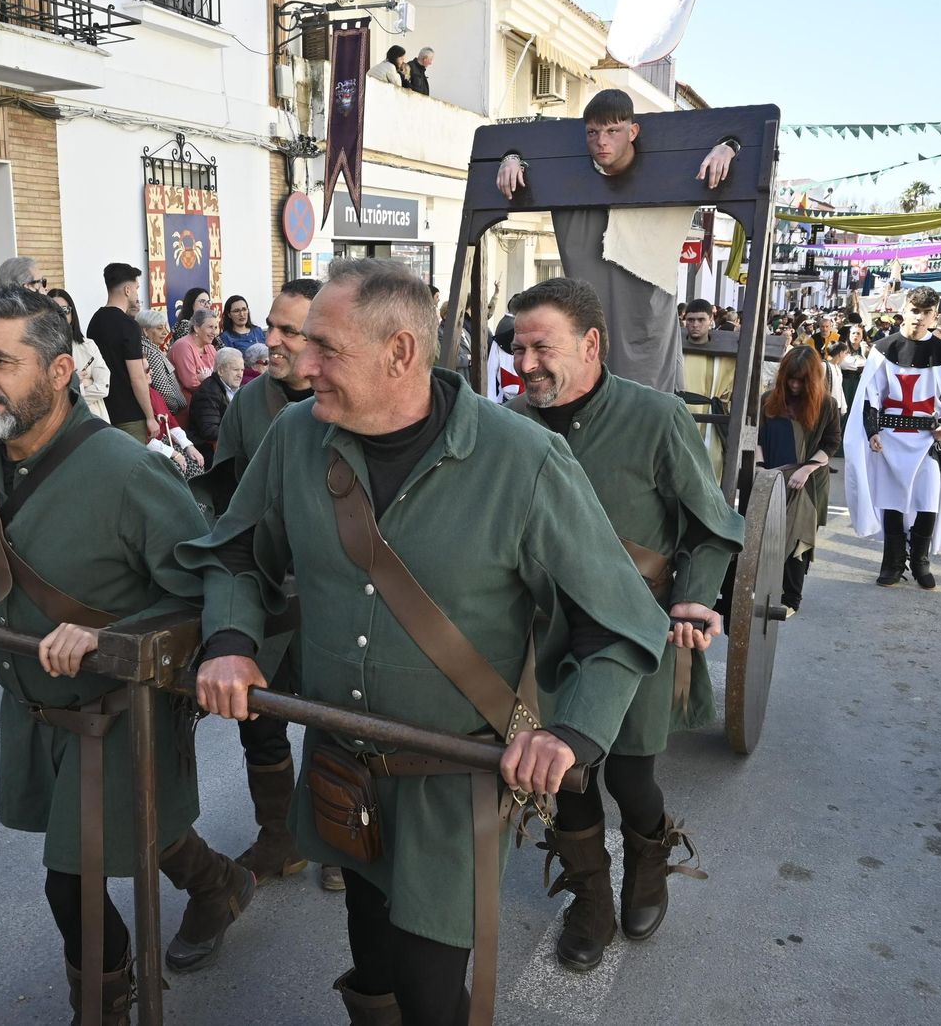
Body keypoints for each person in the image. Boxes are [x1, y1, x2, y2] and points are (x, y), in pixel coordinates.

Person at [180, 260, 666, 1025]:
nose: (303, 366)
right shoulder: (292, 438)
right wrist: (232, 638)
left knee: (430, 983)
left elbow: (622, 619)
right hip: (344, 763)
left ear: (401, 353)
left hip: (455, 782)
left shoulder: (523, 460)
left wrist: (572, 734)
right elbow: (237, 550)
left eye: (326, 349)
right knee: (369, 958)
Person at [0, 285, 252, 1018]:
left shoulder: (130, 471)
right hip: (35, 706)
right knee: (134, 830)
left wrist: (112, 636)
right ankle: (217, 882)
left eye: (3, 360)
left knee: (70, 875)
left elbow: (205, 591)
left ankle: (102, 1007)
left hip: (118, 707)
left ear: (61, 370)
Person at [505, 277, 740, 971]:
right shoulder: (506, 423)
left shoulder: (656, 417)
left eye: (541, 347)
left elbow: (712, 526)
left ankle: (646, 860)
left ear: (591, 343)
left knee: (630, 780)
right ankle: (590, 901)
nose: (525, 365)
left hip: (637, 633)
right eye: (518, 349)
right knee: (562, 779)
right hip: (540, 635)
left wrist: (695, 596)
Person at [192, 278, 322, 889]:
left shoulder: (348, 399)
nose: (269, 341)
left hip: (331, 594)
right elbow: (229, 495)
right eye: (269, 327)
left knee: (336, 721)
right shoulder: (248, 402)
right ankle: (281, 838)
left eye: (288, 331)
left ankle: (344, 838)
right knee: (259, 717)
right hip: (268, 588)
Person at [496, 89, 741, 391]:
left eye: (613, 130)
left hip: (647, 324)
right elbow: (513, 146)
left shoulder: (666, 169)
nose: (602, 141)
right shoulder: (572, 177)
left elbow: (735, 136)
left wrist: (728, 145)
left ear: (634, 131)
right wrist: (510, 157)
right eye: (593, 132)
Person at [843, 286, 941, 590]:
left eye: (927, 313)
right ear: (905, 310)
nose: (920, 318)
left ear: (934, 315)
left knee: (927, 501)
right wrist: (872, 431)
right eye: (915, 311)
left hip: (926, 439)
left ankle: (920, 561)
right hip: (891, 438)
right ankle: (893, 562)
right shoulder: (883, 349)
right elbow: (871, 395)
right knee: (892, 502)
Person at [757, 346, 842, 615]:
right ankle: (765, 589)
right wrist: (759, 466)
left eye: (800, 380)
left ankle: (792, 598)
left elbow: (831, 443)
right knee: (766, 535)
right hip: (769, 477)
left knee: (797, 541)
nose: (794, 385)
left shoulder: (826, 404)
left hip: (808, 483)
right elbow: (755, 437)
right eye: (790, 378)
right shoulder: (768, 400)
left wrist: (806, 470)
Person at [86, 263, 158, 440]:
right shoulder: (128, 325)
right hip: (129, 415)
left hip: (103, 410)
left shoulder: (94, 321)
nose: (136, 294)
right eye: (136, 288)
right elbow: (137, 376)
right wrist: (150, 416)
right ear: (127, 290)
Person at [679, 297, 736, 479]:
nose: (695, 325)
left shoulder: (728, 353)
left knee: (710, 469)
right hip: (681, 417)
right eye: (691, 320)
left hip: (712, 420)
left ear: (711, 320)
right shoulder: (674, 347)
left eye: (701, 320)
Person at [49, 287, 112, 422]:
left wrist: (74, 391)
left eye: (65, 310)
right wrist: (80, 382)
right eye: (54, 311)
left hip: (93, 419)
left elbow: (103, 387)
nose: (60, 316)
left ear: (72, 313)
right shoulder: (40, 350)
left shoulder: (88, 346)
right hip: (58, 423)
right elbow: (47, 394)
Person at [188, 346, 244, 464]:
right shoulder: (208, 392)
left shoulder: (236, 388)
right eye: (235, 370)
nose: (240, 374)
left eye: (242, 370)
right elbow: (209, 431)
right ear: (221, 370)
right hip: (209, 452)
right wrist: (242, 434)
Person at [139, 308, 187, 418]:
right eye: (160, 328)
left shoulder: (152, 349)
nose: (165, 332)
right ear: (146, 331)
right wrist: (174, 408)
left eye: (165, 327)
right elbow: (163, 391)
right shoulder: (150, 353)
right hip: (167, 414)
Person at [169, 308, 219, 397]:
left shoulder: (210, 347)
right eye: (210, 327)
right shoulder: (183, 346)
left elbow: (220, 375)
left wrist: (204, 379)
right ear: (196, 328)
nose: (214, 332)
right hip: (190, 402)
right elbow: (190, 384)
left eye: (215, 327)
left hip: (210, 397)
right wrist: (211, 380)